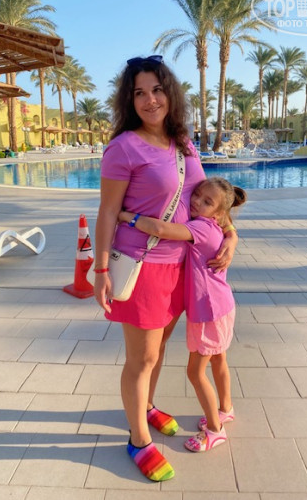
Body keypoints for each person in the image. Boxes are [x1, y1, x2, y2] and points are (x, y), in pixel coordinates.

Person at [93, 55, 237, 481]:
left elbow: (212, 201)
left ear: (170, 93)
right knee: (142, 358)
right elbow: (107, 211)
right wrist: (100, 270)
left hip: (182, 268)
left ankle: (148, 406)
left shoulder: (184, 144)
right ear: (129, 100)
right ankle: (138, 440)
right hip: (142, 268)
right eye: (139, 92)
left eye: (157, 90)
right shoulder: (123, 148)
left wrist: (230, 236)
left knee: (159, 350)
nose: (150, 100)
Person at [119, 177, 247, 453]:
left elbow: (160, 229)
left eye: (207, 202)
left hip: (208, 312)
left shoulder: (201, 227)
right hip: (222, 307)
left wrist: (126, 216)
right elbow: (225, 226)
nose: (196, 202)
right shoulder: (215, 226)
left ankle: (215, 430)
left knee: (195, 372)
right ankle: (226, 409)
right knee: (219, 359)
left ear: (218, 214)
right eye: (197, 195)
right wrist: (232, 234)